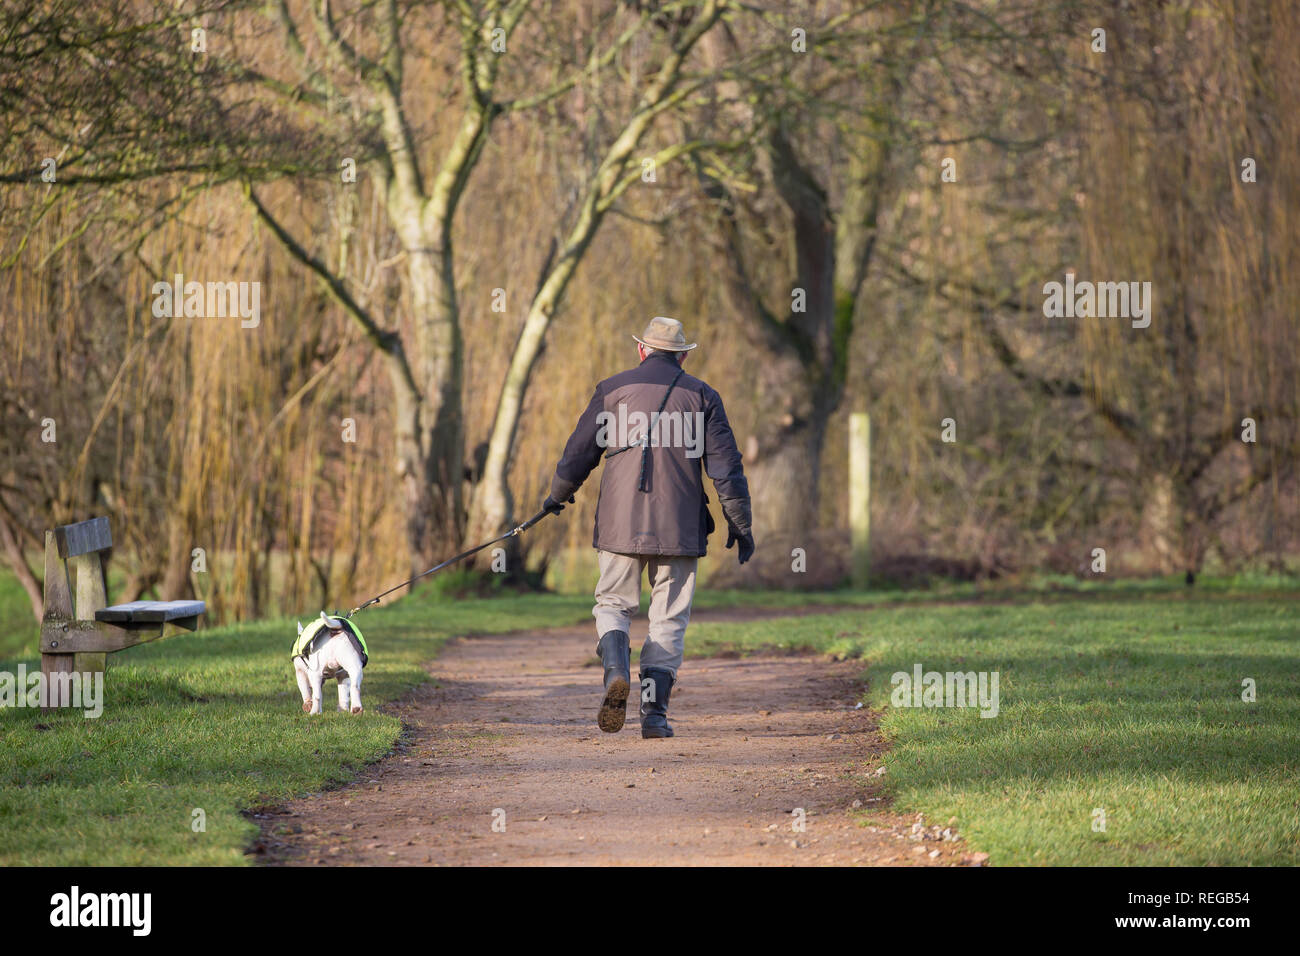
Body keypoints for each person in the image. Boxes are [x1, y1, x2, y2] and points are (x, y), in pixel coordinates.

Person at [543, 316, 753, 738]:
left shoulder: (612, 390)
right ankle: (654, 716)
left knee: (613, 605)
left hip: (620, 524)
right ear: (684, 354)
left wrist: (557, 494)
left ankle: (615, 672)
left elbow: (579, 452)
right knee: (668, 620)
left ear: (642, 349)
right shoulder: (703, 396)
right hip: (679, 527)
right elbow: (725, 469)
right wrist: (740, 522)